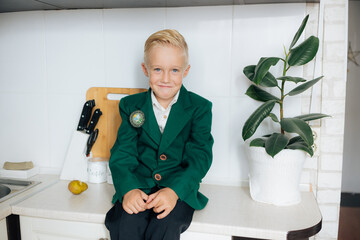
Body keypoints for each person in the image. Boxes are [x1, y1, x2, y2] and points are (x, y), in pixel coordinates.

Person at [105, 29, 214, 240]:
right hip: (138, 185)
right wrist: (128, 189)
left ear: (186, 70)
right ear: (145, 69)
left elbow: (200, 157)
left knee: (165, 225)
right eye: (157, 69)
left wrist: (174, 191)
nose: (165, 78)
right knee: (125, 222)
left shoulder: (200, 108)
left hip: (177, 188)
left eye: (174, 70)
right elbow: (123, 152)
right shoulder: (130, 106)